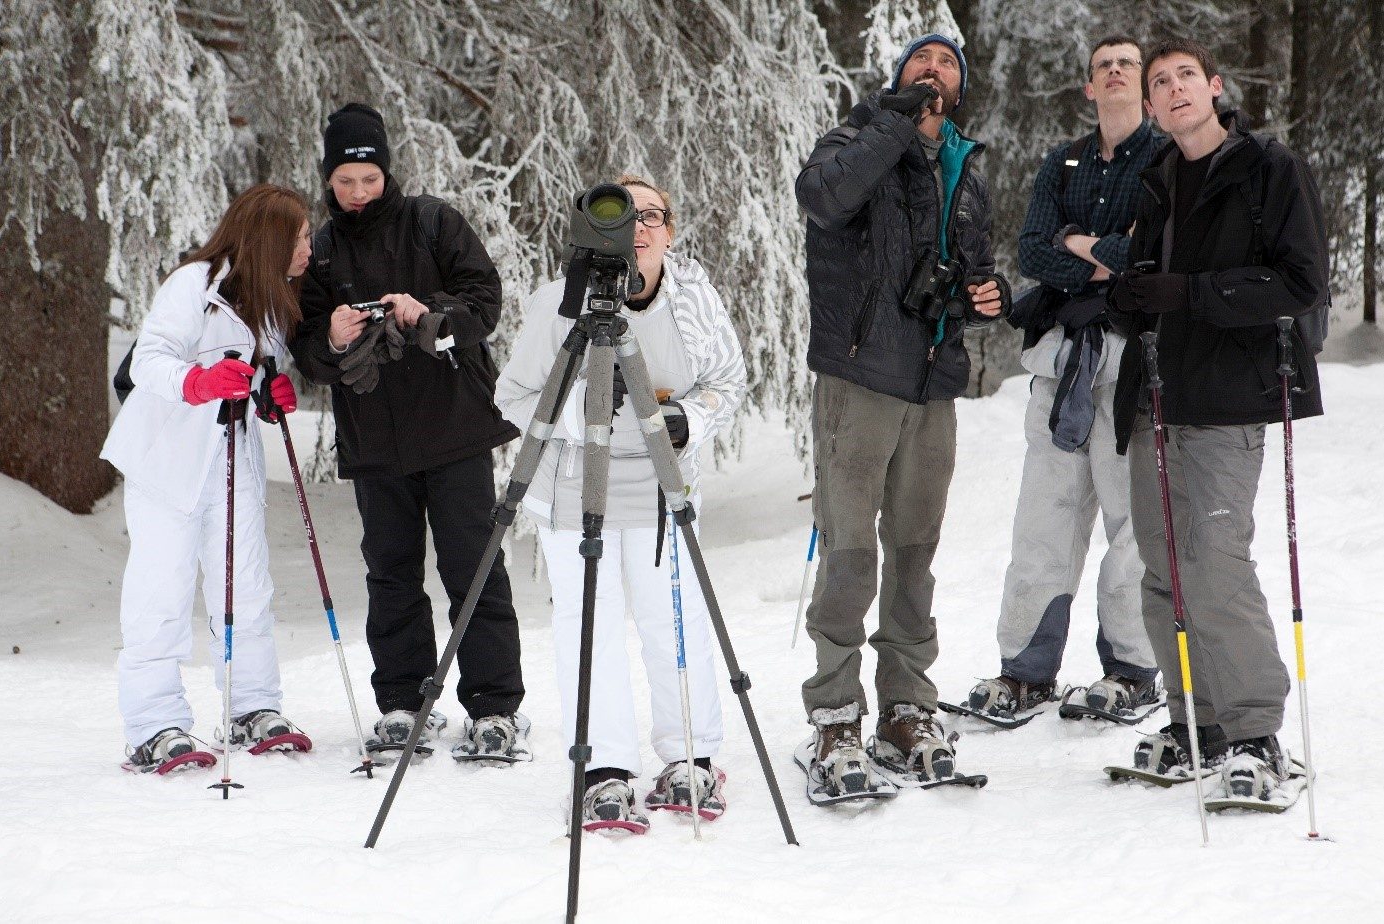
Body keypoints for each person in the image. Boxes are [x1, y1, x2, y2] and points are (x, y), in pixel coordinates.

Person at [1107, 39, 1328, 799]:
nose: (1171, 90)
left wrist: (1191, 294)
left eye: (1183, 78)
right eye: (1157, 83)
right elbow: (1146, 285)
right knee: (1162, 572)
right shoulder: (1154, 180)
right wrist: (1131, 293)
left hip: (1228, 399)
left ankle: (1255, 733)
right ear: (1148, 107)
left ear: (1214, 87)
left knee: (1214, 566)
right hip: (1156, 397)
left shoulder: (1268, 168)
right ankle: (1193, 720)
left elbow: (1300, 281)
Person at [495, 175, 747, 832]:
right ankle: (604, 767)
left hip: (662, 488)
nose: (638, 227)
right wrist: (579, 422)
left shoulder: (694, 301)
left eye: (653, 215)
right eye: (623, 214)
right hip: (572, 490)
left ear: (669, 230)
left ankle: (690, 755)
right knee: (591, 629)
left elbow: (729, 381)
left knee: (675, 625)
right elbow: (512, 394)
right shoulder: (558, 303)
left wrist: (690, 418)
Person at [794, 34, 1010, 797]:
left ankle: (906, 704)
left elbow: (972, 271)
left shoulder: (966, 172)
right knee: (850, 554)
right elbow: (823, 198)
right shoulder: (856, 136)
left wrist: (988, 297)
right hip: (858, 377)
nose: (933, 71)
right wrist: (894, 123)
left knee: (914, 551)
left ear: (960, 87)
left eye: (947, 64)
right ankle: (833, 713)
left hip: (933, 384)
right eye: (921, 61)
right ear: (898, 77)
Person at [289, 103, 526, 760]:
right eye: (345, 182)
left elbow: (486, 303)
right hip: (376, 443)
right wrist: (330, 337)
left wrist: (432, 312)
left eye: (367, 179)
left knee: (473, 567)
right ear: (328, 180)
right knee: (389, 574)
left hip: (454, 431)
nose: (358, 192)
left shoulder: (433, 221)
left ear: (385, 172)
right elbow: (306, 351)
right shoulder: (323, 250)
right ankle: (402, 705)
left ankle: (493, 707)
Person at [967, 36, 1161, 723]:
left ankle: (1133, 666)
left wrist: (1075, 243)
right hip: (1059, 360)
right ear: (1087, 87)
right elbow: (1030, 253)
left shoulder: (1164, 158)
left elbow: (1146, 257)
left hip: (1131, 360)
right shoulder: (1062, 161)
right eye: (1101, 65)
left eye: (1125, 64)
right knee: (1042, 519)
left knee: (1131, 521)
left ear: (1144, 86)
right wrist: (1093, 255)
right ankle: (1024, 669)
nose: (1112, 72)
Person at [102, 184, 312, 772]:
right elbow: (148, 360)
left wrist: (269, 391)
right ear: (268, 239)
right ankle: (154, 724)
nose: (307, 251)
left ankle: (253, 707)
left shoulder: (271, 298)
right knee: (161, 591)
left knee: (246, 584)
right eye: (299, 239)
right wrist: (196, 381)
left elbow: (261, 368)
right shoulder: (194, 284)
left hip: (231, 458)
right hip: (167, 462)